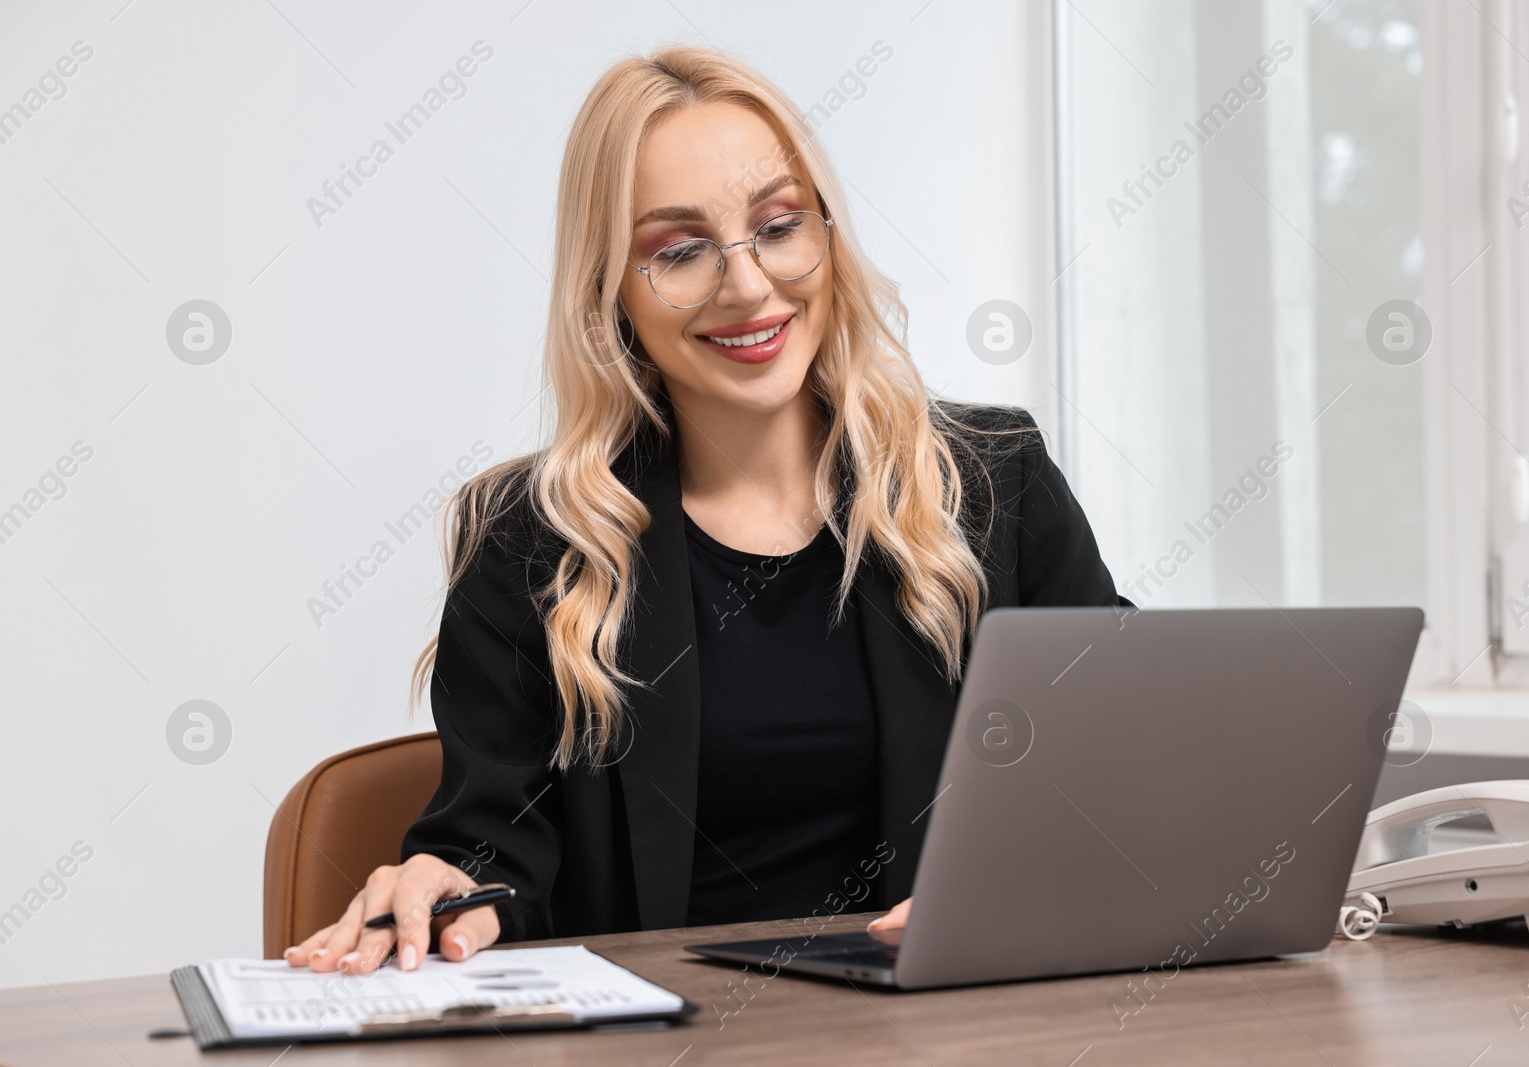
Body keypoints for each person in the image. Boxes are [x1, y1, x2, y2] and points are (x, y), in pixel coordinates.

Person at [284, 45, 1124, 977]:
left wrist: (1025, 885)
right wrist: (451, 887)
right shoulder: (533, 541)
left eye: (778, 226)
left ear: (828, 239)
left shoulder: (992, 484)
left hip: (950, 1032)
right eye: (678, 251)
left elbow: (1125, 770)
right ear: (611, 292)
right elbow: (495, 846)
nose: (750, 285)